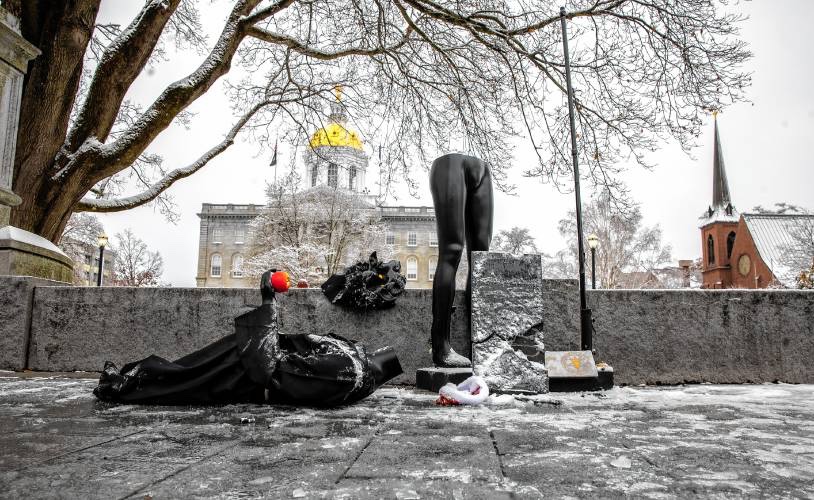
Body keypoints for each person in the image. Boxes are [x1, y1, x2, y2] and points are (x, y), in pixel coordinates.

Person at [94, 269, 402, 407]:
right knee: (183, 372)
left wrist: (268, 303)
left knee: (183, 379)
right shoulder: (351, 361)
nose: (378, 349)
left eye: (381, 353)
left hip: (240, 371)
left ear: (379, 368)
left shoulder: (348, 373)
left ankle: (128, 385)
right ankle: (134, 379)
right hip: (245, 355)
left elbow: (273, 372)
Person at [429, 153, 493, 367]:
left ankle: (483, 344)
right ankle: (441, 347)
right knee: (452, 250)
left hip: (482, 171)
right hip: (448, 167)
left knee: (481, 255)